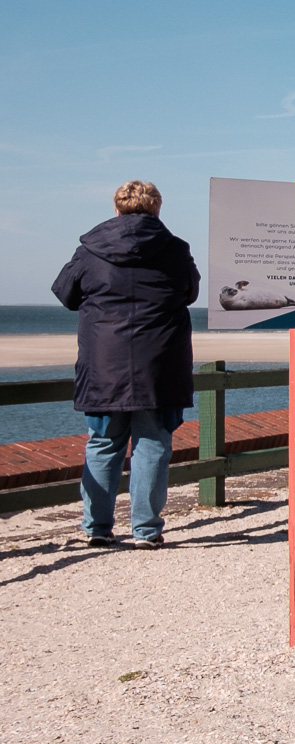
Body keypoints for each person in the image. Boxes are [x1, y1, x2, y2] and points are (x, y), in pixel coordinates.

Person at [50, 181, 200, 549]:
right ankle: (146, 530)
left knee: (103, 443)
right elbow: (191, 292)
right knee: (152, 443)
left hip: (104, 364)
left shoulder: (89, 250)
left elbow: (65, 292)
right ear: (157, 210)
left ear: (116, 209)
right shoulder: (176, 249)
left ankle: (97, 527)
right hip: (159, 363)